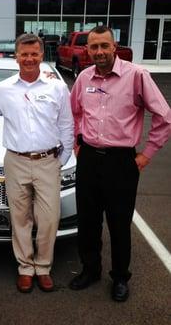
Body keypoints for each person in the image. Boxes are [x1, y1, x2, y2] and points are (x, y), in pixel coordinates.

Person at [69, 25, 171, 302]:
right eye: (94, 47)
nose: (99, 52)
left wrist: (147, 153)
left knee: (119, 223)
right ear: (87, 49)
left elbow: (164, 116)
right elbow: (74, 112)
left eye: (104, 46)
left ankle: (120, 277)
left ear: (115, 47)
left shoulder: (137, 76)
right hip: (89, 159)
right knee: (88, 221)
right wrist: (78, 142)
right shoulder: (83, 78)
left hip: (121, 163)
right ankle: (90, 270)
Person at [0, 33, 74, 293]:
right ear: (16, 57)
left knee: (48, 219)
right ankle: (25, 267)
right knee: (20, 218)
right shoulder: (4, 89)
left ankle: (43, 267)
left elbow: (67, 125)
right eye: (24, 54)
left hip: (48, 161)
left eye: (34, 54)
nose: (29, 58)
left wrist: (62, 159)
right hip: (15, 161)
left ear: (41, 55)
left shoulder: (56, 87)